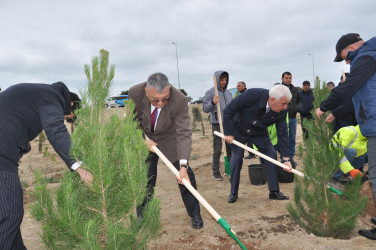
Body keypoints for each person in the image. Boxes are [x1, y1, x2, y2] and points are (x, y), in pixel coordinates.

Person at [0, 82, 92, 249]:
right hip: (2, 158)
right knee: (10, 215)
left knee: (8, 224)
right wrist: (79, 166)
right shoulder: (52, 96)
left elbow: (15, 123)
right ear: (70, 105)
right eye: (67, 117)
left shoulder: (36, 94)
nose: (64, 119)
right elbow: (56, 130)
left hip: (5, 153)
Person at [314, 33, 376, 240]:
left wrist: (323, 106)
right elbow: (359, 94)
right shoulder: (370, 56)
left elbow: (348, 88)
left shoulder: (365, 57)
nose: (347, 62)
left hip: (375, 125)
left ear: (351, 47)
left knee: (375, 176)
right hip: (372, 123)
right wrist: (336, 112)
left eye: (345, 57)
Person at [128, 72, 203, 229]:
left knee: (185, 176)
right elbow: (131, 123)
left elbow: (183, 132)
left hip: (170, 139)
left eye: (165, 99)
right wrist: (142, 142)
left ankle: (195, 213)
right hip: (146, 137)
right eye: (156, 100)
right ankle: (142, 214)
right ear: (146, 92)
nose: (161, 103)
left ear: (169, 89)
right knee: (145, 178)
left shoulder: (180, 99)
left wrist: (183, 165)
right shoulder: (134, 93)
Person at [222, 84, 293, 203]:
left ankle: (274, 191)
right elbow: (229, 110)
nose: (285, 107)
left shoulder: (281, 111)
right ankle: (233, 192)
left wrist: (286, 158)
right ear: (272, 99)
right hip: (238, 129)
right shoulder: (252, 95)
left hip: (259, 132)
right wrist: (228, 133)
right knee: (237, 156)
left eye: (287, 104)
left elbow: (283, 134)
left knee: (271, 154)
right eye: (283, 104)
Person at [203, 71, 233, 181]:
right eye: (221, 80)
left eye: (225, 80)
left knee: (229, 148)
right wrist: (213, 102)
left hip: (228, 124)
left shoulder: (229, 93)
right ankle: (215, 172)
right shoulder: (211, 92)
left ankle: (228, 170)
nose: (224, 82)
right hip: (217, 124)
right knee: (218, 149)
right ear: (217, 80)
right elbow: (205, 109)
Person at [281, 72, 301, 167]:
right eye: (286, 78)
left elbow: (299, 101)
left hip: (293, 118)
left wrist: (297, 108)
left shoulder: (295, 89)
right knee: (283, 138)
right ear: (282, 79)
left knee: (292, 138)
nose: (288, 79)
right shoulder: (279, 89)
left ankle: (291, 156)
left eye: (290, 78)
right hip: (282, 118)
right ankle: (283, 157)